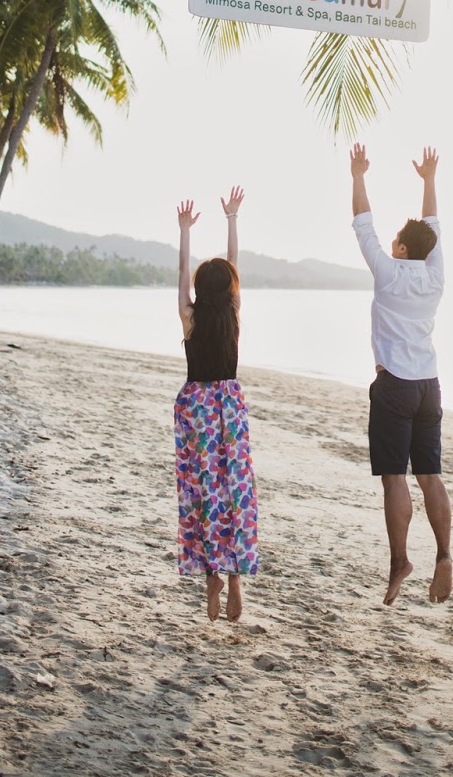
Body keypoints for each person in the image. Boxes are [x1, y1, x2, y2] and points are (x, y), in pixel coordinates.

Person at [350, 142, 452, 607]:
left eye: (396, 242)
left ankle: (400, 562)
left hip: (393, 385)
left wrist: (358, 175)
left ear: (403, 249)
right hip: (428, 386)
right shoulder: (435, 276)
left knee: (395, 478)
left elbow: (362, 225)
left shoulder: (388, 274)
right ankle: (445, 555)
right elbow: (432, 230)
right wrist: (429, 181)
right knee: (430, 475)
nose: (389, 245)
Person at [174, 186, 258, 621]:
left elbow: (184, 273)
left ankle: (212, 583)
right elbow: (234, 268)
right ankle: (236, 584)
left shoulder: (190, 317)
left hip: (195, 409)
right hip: (228, 407)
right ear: (229, 288)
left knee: (204, 495)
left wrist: (185, 232)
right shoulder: (233, 313)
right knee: (235, 495)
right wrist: (232, 219)